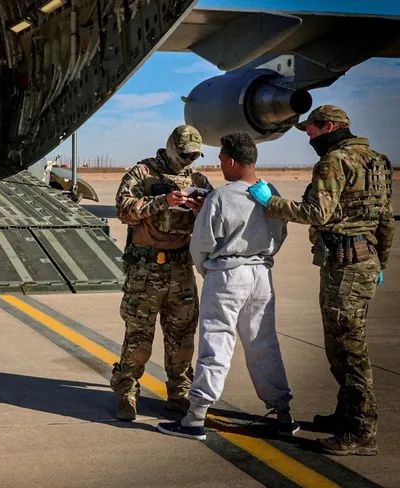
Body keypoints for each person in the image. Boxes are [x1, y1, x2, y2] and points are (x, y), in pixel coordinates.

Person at [249, 105, 394, 456]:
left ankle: (361, 432)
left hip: (344, 267)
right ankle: (346, 416)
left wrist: (271, 202)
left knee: (347, 350)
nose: (309, 137)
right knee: (345, 345)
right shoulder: (378, 161)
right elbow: (386, 219)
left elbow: (317, 213)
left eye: (312, 131)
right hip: (364, 261)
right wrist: (381, 261)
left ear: (328, 126)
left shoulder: (334, 161)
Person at [156, 131, 300, 440]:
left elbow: (201, 245)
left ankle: (195, 417)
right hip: (261, 275)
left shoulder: (220, 197)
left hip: (226, 276)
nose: (220, 165)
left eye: (222, 159)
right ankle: (283, 413)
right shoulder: (270, 193)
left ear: (232, 161)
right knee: (264, 344)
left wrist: (209, 272)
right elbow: (281, 234)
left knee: (216, 346)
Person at [111, 124, 214, 421]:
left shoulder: (198, 180)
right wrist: (162, 202)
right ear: (171, 148)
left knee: (182, 337)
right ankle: (127, 392)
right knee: (138, 337)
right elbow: (123, 208)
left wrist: (201, 209)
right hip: (146, 269)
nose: (189, 160)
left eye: (194, 156)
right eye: (185, 154)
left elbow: (215, 219)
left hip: (180, 268)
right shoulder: (143, 173)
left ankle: (179, 393)